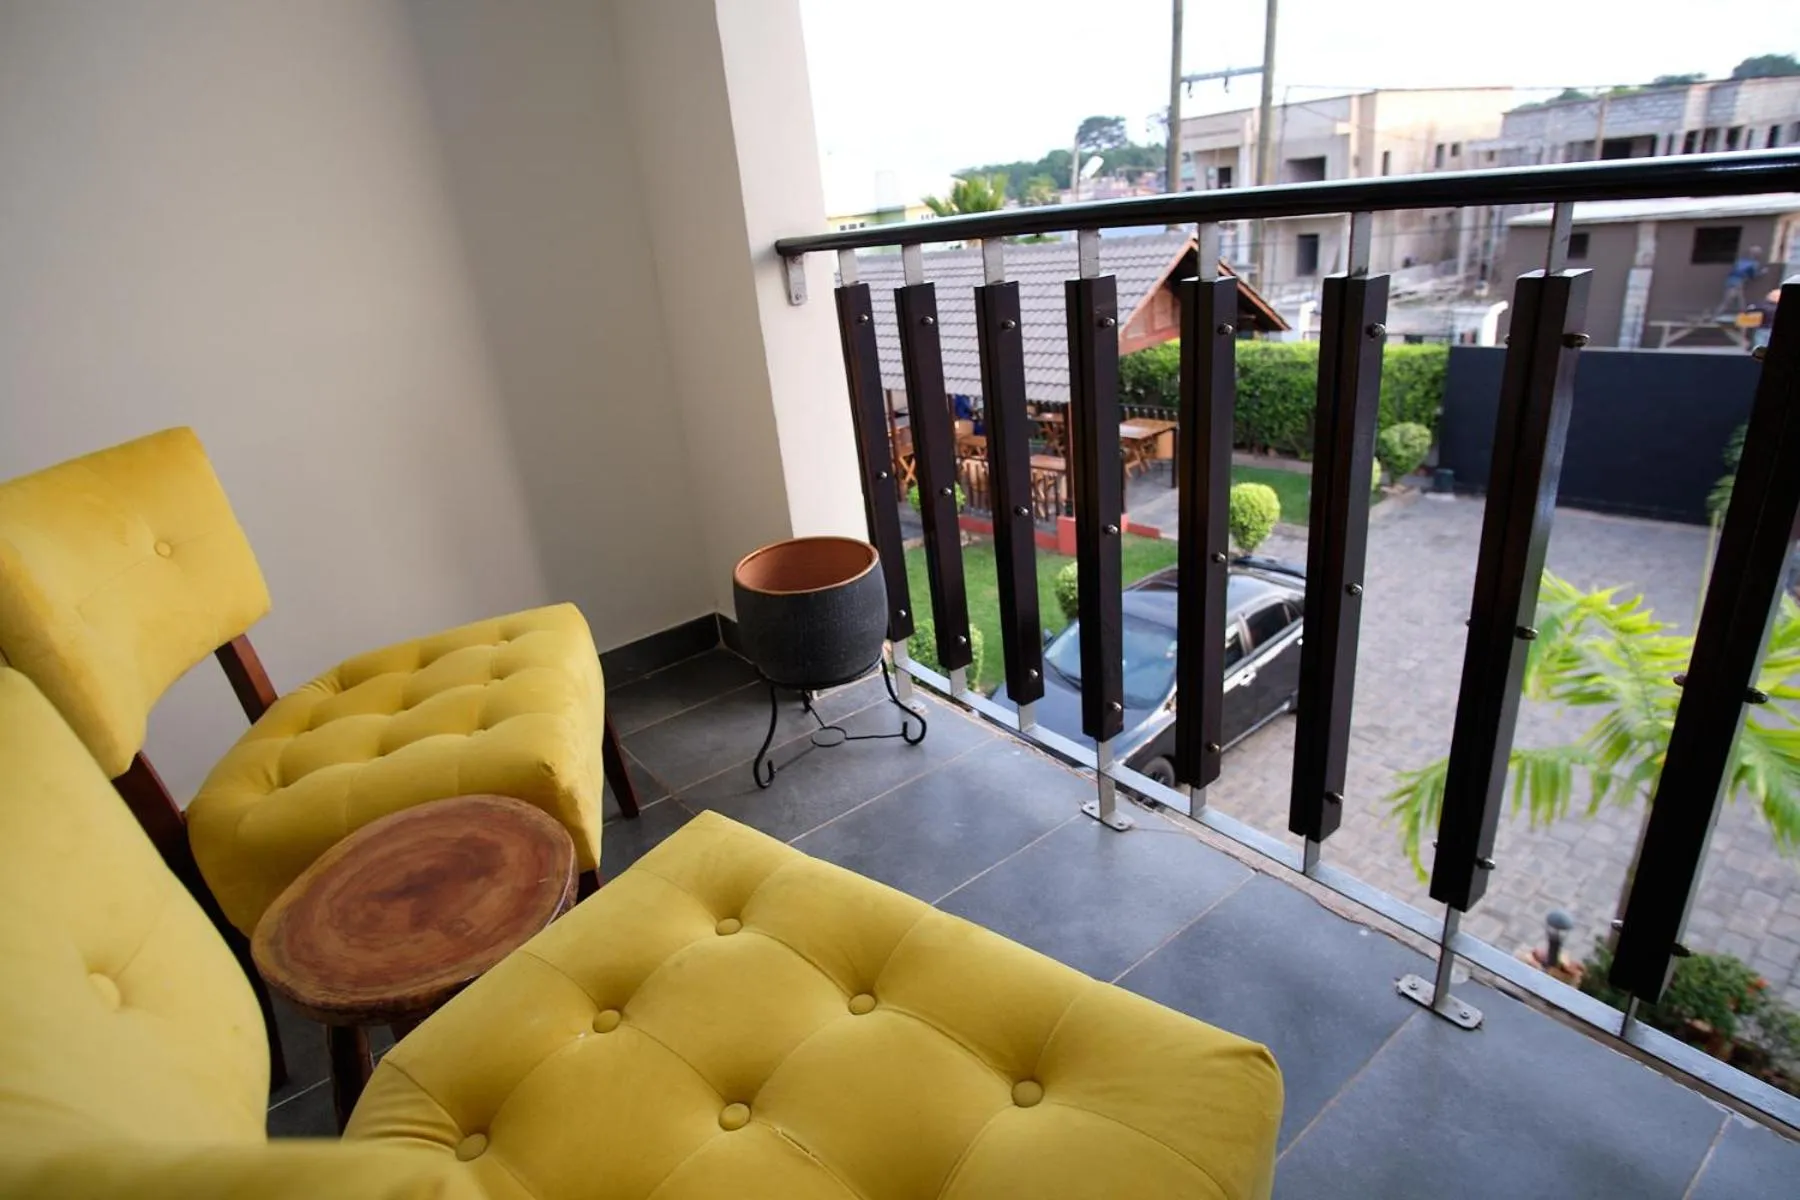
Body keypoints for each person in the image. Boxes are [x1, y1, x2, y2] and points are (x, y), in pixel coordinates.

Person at [1720, 245, 1764, 315]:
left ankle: (1744, 315)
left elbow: (1733, 270)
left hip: (1730, 281)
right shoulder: (1754, 264)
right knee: (1729, 301)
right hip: (1738, 283)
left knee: (1739, 300)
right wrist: (1762, 272)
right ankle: (1715, 317)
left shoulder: (1740, 261)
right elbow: (1753, 276)